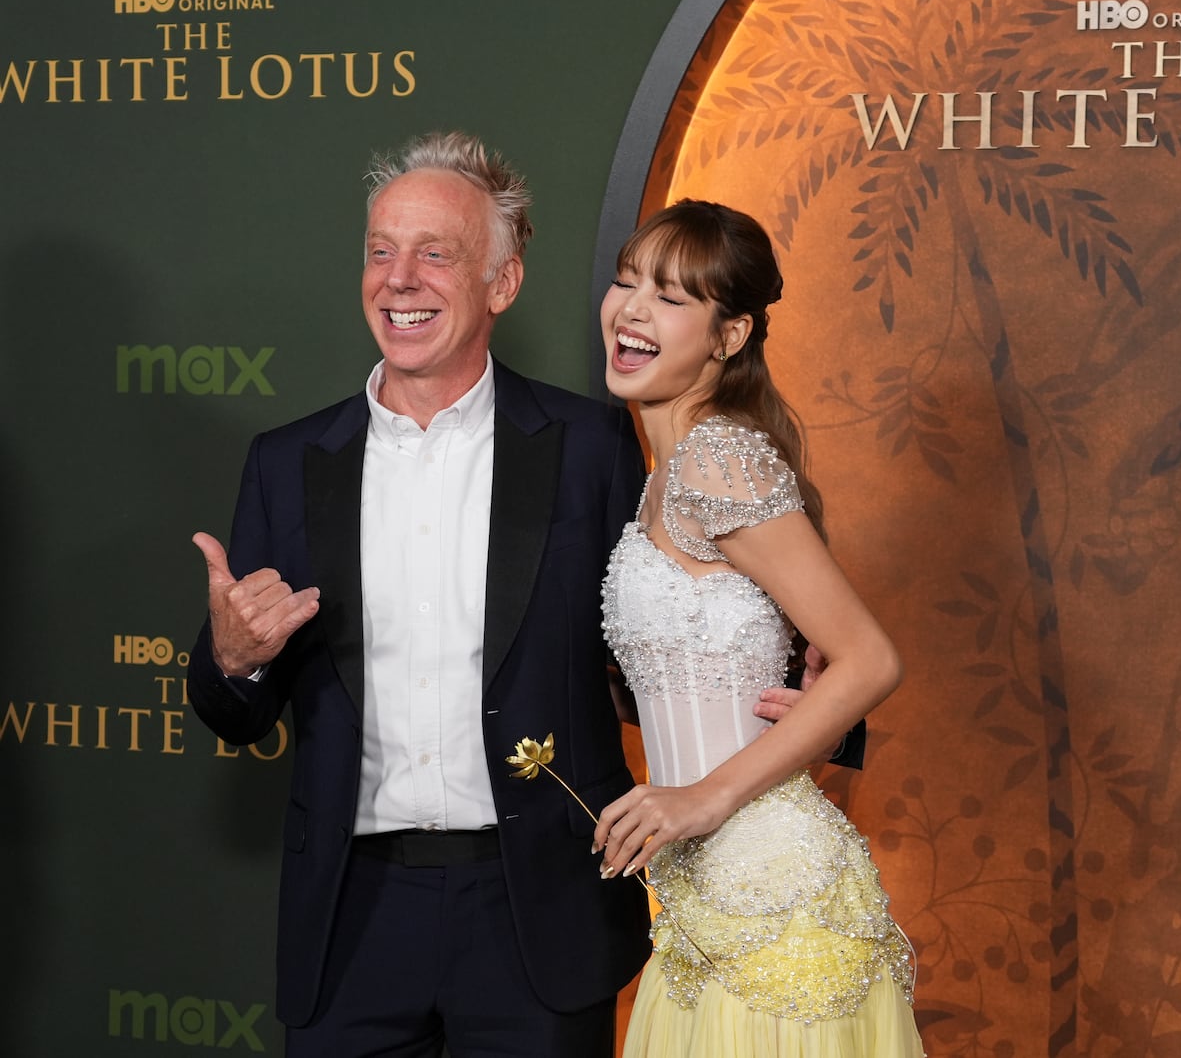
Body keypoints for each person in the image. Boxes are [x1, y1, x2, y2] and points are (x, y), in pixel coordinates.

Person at [186, 133, 831, 1057]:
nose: (399, 279)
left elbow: (655, 640)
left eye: (434, 254)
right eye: (380, 251)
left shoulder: (590, 447)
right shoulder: (287, 464)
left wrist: (806, 705)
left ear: (503, 283)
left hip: (541, 911)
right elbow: (232, 709)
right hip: (349, 921)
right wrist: (232, 660)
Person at [591, 199, 925, 1057]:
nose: (630, 310)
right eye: (627, 282)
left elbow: (868, 657)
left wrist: (705, 795)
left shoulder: (717, 459)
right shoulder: (669, 473)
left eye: (669, 296)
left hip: (775, 907)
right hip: (708, 910)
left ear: (729, 335)